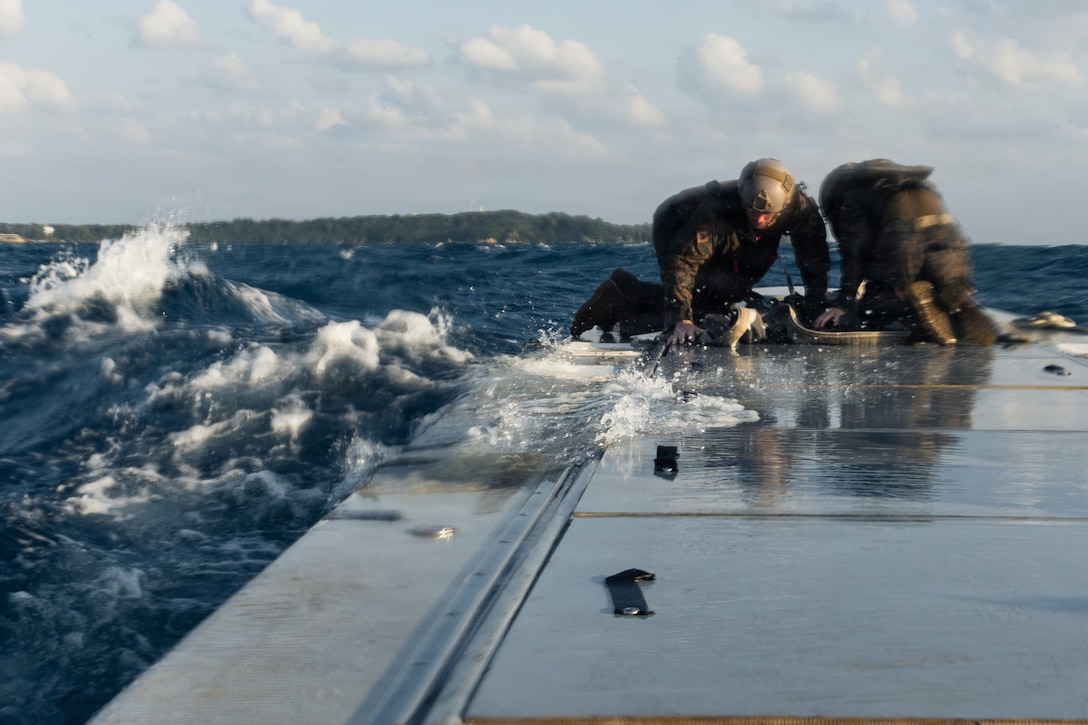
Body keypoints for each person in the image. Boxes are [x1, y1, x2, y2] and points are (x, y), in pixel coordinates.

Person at [570, 158, 830, 346]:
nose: (759, 218)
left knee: (722, 298)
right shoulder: (716, 209)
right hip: (677, 222)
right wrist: (680, 320)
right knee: (699, 315)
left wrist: (817, 306)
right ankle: (619, 299)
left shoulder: (801, 210)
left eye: (767, 214)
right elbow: (683, 262)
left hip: (736, 235)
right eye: (751, 209)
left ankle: (628, 298)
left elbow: (814, 260)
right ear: (742, 198)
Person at [813, 159, 998, 346]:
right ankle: (959, 302)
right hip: (950, 234)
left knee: (873, 307)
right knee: (950, 288)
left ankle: (912, 308)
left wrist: (844, 303)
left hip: (904, 235)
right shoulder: (906, 182)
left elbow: (855, 252)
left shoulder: (849, 197)